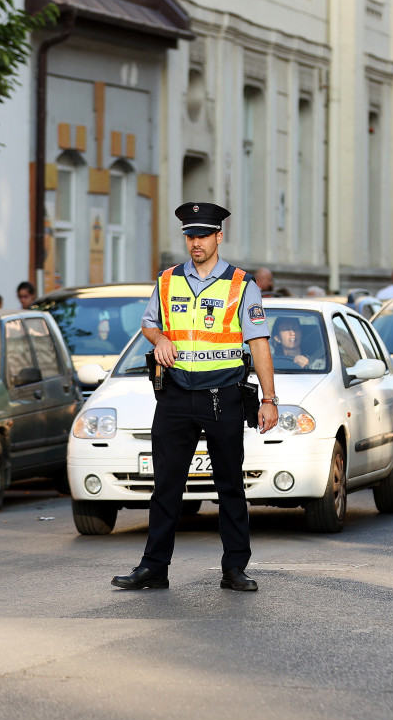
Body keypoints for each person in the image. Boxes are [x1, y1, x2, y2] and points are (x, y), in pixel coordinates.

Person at [112, 202, 279, 593]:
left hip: (222, 395)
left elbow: (258, 343)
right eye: (189, 236)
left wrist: (269, 399)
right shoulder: (167, 280)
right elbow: (149, 324)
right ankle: (154, 568)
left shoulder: (242, 284)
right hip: (174, 395)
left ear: (219, 236)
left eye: (202, 235)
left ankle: (234, 569)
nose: (195, 243)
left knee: (229, 486)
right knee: (166, 486)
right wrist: (161, 338)